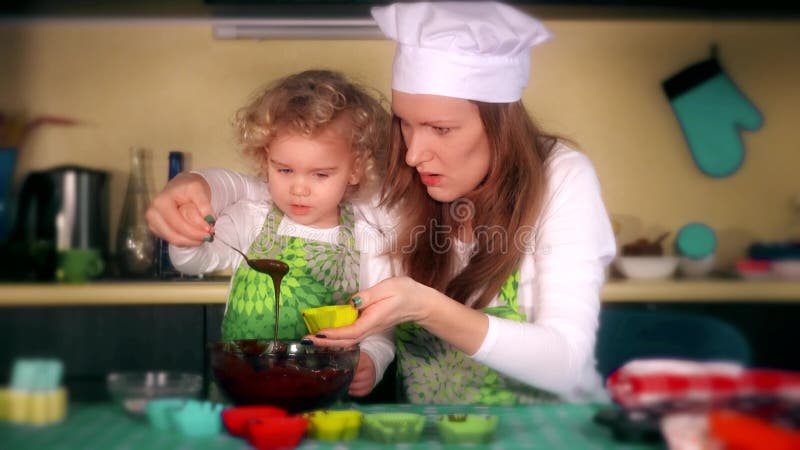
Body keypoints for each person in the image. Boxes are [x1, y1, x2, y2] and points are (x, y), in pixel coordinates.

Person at [147, 2, 616, 404]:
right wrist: (199, 185)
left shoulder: (561, 176)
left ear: (499, 125)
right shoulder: (403, 176)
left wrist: (426, 307)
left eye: (441, 129)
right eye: (405, 125)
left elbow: (566, 364)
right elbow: (283, 189)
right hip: (424, 433)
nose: (414, 153)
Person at [148, 70, 395, 397]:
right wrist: (186, 235)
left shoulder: (366, 241)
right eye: (284, 170)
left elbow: (381, 324)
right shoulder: (250, 220)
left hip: (320, 398)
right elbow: (194, 263)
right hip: (241, 394)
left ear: (355, 170)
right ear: (265, 160)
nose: (299, 188)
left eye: (320, 174)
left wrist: (373, 359)